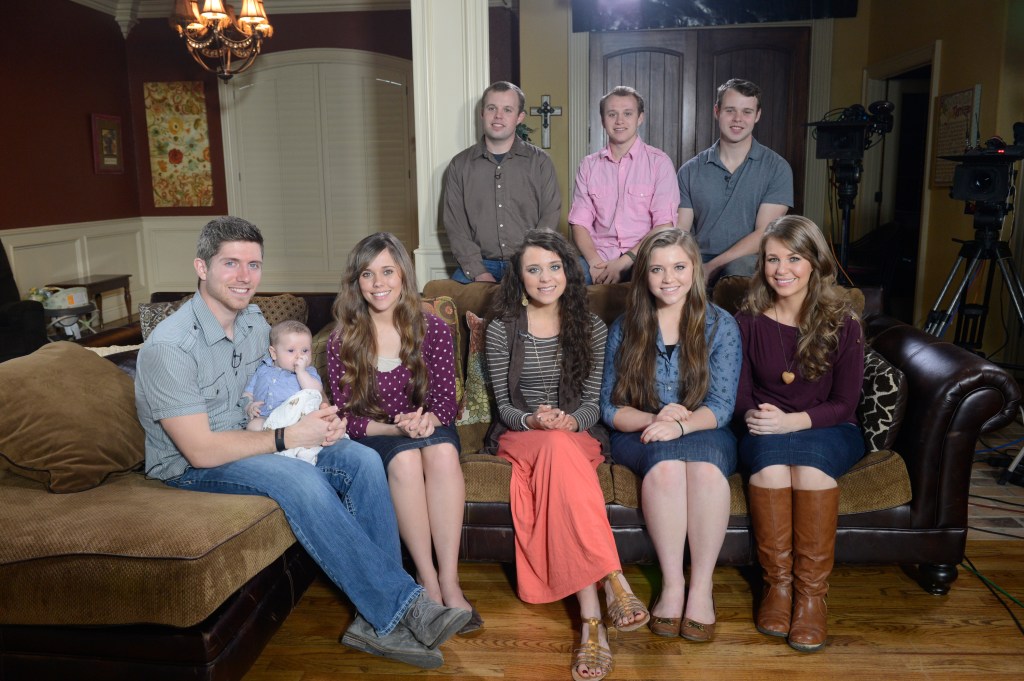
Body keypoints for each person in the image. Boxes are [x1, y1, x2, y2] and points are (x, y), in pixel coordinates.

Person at [134, 217, 470, 670]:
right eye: (230, 263)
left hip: (261, 437)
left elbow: (288, 386)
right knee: (301, 480)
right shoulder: (170, 346)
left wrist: (321, 420)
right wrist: (291, 435)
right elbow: (201, 451)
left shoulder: (254, 323)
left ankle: (374, 622)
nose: (244, 276)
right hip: (195, 464)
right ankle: (403, 609)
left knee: (361, 461)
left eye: (253, 265)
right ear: (201, 267)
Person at [484, 229, 649, 681]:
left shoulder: (591, 328)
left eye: (554, 267)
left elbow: (594, 404)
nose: (545, 277)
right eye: (533, 269)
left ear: (568, 272)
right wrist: (536, 422)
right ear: (519, 278)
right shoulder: (501, 331)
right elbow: (505, 407)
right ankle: (611, 579)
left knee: (561, 450)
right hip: (523, 436)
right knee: (553, 447)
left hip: (576, 435)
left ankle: (592, 626)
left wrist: (570, 422)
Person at [326, 232, 482, 635]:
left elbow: (447, 400)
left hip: (425, 423)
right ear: (356, 282)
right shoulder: (342, 337)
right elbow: (345, 416)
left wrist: (429, 419)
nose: (378, 283)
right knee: (407, 460)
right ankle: (426, 580)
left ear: (403, 275)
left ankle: (450, 580)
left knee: (443, 454)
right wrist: (395, 427)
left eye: (387, 272)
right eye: (367, 274)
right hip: (378, 431)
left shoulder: (431, 327)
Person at [601, 229, 741, 643]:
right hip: (641, 431)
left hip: (705, 430)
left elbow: (721, 406)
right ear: (643, 275)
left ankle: (701, 586)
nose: (669, 279)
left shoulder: (721, 325)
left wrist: (679, 424)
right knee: (664, 473)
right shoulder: (625, 327)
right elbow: (609, 407)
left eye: (679, 267)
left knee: (705, 473)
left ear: (694, 269)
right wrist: (653, 420)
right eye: (658, 269)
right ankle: (672, 584)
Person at [734, 215, 865, 652]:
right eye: (772, 259)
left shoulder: (843, 321)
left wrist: (791, 422)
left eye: (794, 258)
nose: (782, 269)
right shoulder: (747, 319)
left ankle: (811, 598)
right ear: (762, 265)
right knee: (770, 474)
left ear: (814, 262)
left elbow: (846, 403)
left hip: (828, 428)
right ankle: (779, 588)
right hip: (764, 428)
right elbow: (739, 394)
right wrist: (757, 418)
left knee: (810, 474)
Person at [676, 78, 793, 283]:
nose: (738, 119)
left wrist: (712, 267)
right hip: (699, 260)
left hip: (749, 264)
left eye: (747, 112)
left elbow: (764, 235)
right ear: (716, 112)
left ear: (757, 115)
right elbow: (680, 232)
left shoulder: (777, 168)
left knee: (736, 269)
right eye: (730, 110)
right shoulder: (689, 171)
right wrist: (683, 265)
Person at [444, 81, 561, 283]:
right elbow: (456, 226)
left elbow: (548, 219)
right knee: (453, 301)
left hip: (527, 262)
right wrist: (479, 272)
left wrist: (529, 266)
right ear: (482, 113)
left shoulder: (540, 163)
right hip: (480, 263)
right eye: (492, 108)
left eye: (507, 110)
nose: (498, 116)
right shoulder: (460, 165)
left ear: (519, 117)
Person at [569, 86, 678, 285]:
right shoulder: (588, 165)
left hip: (644, 257)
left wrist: (624, 262)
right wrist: (594, 262)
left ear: (640, 118)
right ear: (603, 120)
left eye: (627, 113)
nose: (619, 121)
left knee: (660, 281)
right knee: (565, 279)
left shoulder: (659, 163)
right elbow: (579, 223)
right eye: (612, 114)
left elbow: (664, 225)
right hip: (599, 256)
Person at [242, 319, 326, 463]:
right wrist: (249, 406)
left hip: (296, 422)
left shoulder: (309, 372)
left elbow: (316, 391)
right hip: (268, 420)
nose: (300, 356)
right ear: (274, 353)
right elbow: (248, 393)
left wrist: (301, 372)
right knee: (252, 426)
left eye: (305, 350)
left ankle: (303, 450)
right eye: (291, 351)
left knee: (314, 431)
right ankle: (278, 450)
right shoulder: (262, 370)